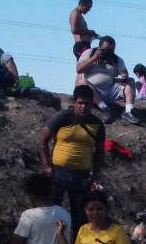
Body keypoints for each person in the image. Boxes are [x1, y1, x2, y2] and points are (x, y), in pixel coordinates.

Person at [38, 84, 105, 230]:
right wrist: (47, 167)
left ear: (92, 104)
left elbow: (100, 152)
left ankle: (76, 243)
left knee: (80, 217)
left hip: (81, 176)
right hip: (58, 173)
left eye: (87, 103)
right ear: (74, 102)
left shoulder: (97, 124)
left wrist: (94, 175)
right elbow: (43, 141)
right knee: (51, 213)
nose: (83, 107)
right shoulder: (63, 117)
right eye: (80, 103)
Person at [76, 35, 141, 125]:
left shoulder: (116, 59)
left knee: (130, 81)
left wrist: (123, 75)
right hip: (92, 92)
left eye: (112, 50)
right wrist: (94, 58)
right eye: (106, 50)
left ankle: (129, 111)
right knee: (81, 80)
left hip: (110, 90)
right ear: (99, 47)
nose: (108, 52)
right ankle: (104, 109)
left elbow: (124, 74)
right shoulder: (89, 53)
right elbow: (79, 70)